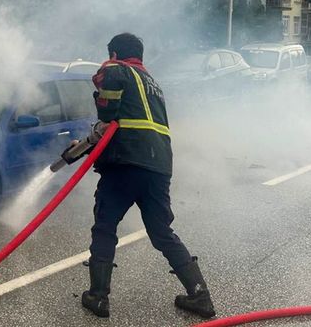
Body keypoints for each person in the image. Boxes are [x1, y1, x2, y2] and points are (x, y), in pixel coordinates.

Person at [70, 33, 215, 319]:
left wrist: (101, 91)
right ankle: (201, 296)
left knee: (105, 226)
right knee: (162, 233)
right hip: (158, 168)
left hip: (126, 163)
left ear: (114, 54)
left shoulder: (116, 69)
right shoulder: (153, 85)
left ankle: (98, 298)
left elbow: (109, 111)